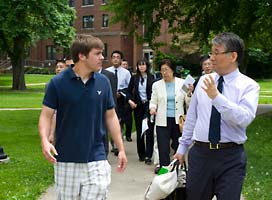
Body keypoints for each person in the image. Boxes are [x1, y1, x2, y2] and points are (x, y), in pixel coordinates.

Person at [39, 34, 127, 199]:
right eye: (97, 53)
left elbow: (111, 116)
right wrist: (44, 140)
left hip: (97, 156)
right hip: (66, 158)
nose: (102, 57)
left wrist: (121, 148)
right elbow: (46, 115)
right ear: (82, 56)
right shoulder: (57, 83)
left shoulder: (103, 82)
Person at [174, 32, 260, 200]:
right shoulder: (203, 81)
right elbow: (192, 118)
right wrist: (182, 148)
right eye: (211, 52)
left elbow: (244, 118)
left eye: (216, 52)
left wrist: (217, 97)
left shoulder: (248, 86)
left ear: (233, 56)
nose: (211, 57)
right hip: (201, 154)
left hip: (230, 157)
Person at [149, 58, 190, 172]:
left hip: (178, 121)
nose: (164, 73)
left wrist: (190, 93)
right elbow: (153, 100)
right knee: (163, 148)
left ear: (172, 70)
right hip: (162, 120)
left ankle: (179, 170)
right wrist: (152, 108)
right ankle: (164, 173)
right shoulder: (156, 85)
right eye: (162, 70)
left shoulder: (182, 83)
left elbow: (189, 102)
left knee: (179, 146)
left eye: (167, 70)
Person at [127, 58, 154, 164]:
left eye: (143, 65)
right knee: (140, 131)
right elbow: (128, 92)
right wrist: (130, 101)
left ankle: (148, 155)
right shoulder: (134, 78)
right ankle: (141, 154)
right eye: (139, 65)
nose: (141, 67)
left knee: (149, 130)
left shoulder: (152, 78)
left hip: (148, 106)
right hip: (138, 106)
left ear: (147, 66)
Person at [106, 51, 132, 143]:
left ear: (121, 59)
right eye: (114, 57)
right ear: (111, 59)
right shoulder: (107, 72)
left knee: (120, 121)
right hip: (110, 99)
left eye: (118, 57)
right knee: (111, 120)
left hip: (121, 100)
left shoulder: (126, 73)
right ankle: (113, 142)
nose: (116, 59)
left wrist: (121, 94)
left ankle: (118, 142)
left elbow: (129, 87)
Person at [47, 59, 69, 144]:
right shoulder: (50, 85)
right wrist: (51, 133)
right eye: (57, 67)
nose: (58, 69)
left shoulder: (73, 84)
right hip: (56, 122)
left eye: (61, 67)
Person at [99, 66, 118, 156]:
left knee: (104, 132)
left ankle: (104, 154)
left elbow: (113, 94)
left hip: (104, 109)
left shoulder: (109, 75)